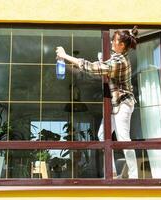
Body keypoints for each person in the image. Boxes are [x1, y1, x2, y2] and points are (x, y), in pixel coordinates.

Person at [56, 26, 139, 178]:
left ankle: (133, 177)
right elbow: (91, 68)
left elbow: (92, 68)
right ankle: (113, 173)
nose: (112, 43)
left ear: (122, 45)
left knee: (123, 139)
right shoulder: (117, 55)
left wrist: (66, 55)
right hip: (115, 105)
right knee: (103, 135)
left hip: (123, 104)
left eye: (114, 41)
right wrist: (68, 63)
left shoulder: (120, 62)